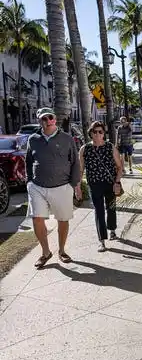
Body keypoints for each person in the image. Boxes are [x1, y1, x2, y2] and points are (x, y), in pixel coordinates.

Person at [26, 107, 81, 268]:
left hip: (62, 186)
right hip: (37, 186)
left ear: (55, 119)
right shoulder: (33, 139)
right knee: (37, 218)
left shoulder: (67, 138)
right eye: (44, 119)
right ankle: (45, 252)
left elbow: (75, 162)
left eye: (50, 117)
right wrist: (29, 181)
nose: (47, 121)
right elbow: (28, 161)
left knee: (62, 219)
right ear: (39, 121)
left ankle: (62, 251)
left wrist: (74, 184)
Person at [77, 121, 123, 252]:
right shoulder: (84, 149)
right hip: (94, 184)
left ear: (104, 133)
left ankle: (112, 229)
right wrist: (78, 186)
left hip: (110, 183)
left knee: (111, 208)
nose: (97, 134)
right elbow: (80, 170)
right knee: (99, 211)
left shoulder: (110, 147)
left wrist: (117, 182)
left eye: (100, 132)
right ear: (90, 133)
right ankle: (102, 240)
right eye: (94, 132)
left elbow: (119, 167)